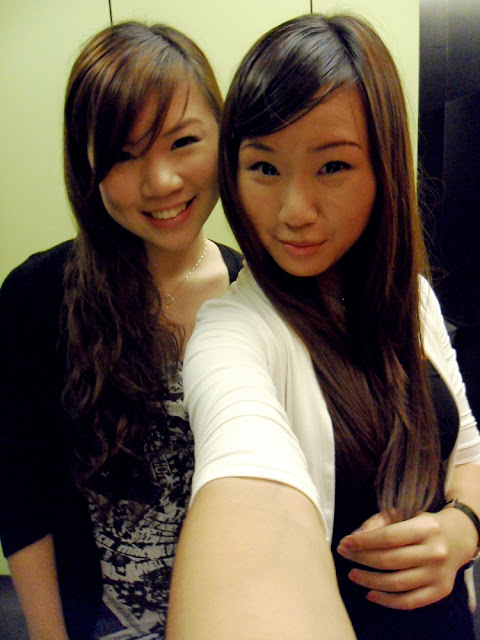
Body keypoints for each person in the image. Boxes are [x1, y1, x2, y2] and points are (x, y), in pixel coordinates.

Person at [166, 13, 480, 640]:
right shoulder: (232, 333)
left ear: (383, 167)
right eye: (264, 168)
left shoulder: (413, 300)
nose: (294, 211)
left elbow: (467, 450)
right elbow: (248, 489)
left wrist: (463, 528)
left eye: (332, 167)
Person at [0, 21, 242, 640]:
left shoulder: (260, 295)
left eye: (184, 141)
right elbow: (21, 493)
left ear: (224, 135)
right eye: (124, 155)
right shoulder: (37, 295)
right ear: (87, 164)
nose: (161, 182)